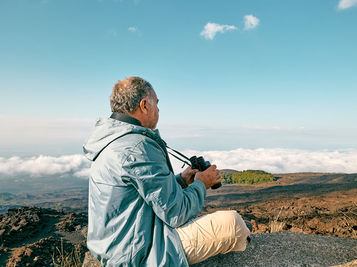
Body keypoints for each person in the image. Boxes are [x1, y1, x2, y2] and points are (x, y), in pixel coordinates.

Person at [83, 76, 250, 266]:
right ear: (145, 105)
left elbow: (144, 194)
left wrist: (182, 180)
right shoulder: (137, 147)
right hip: (138, 254)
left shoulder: (113, 141)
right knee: (233, 223)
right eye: (157, 103)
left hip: (117, 245)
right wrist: (202, 183)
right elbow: (176, 212)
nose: (159, 110)